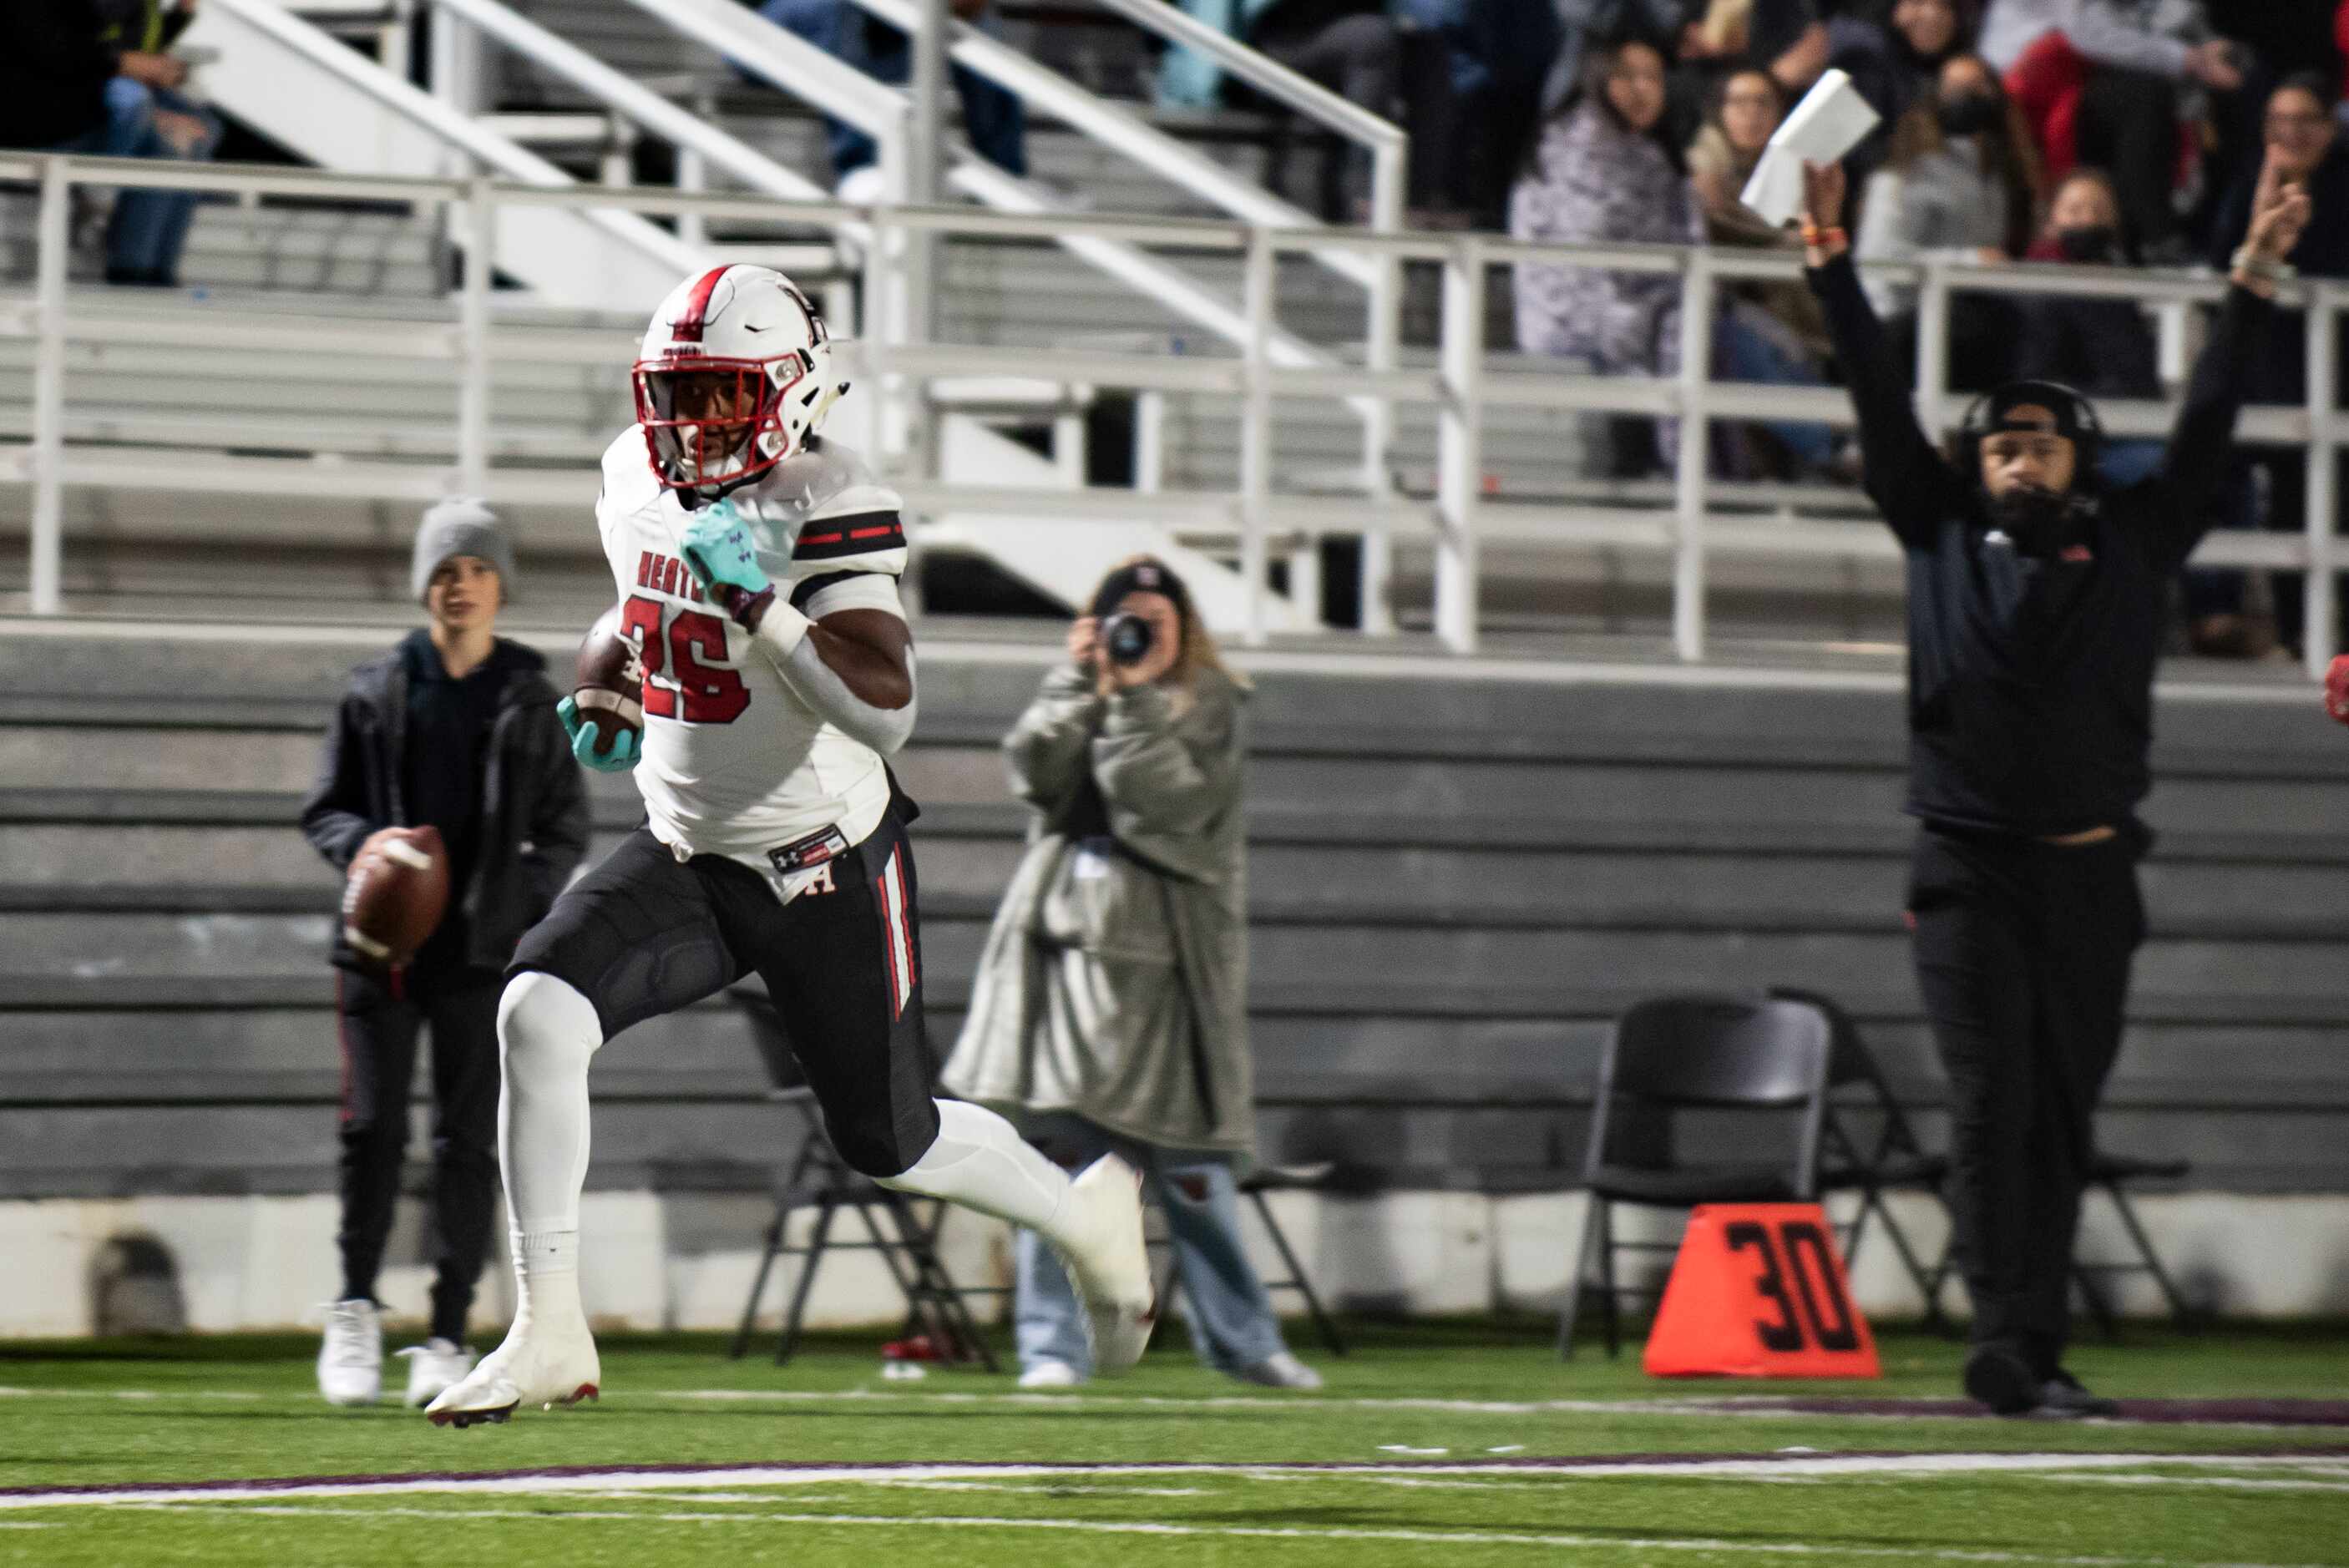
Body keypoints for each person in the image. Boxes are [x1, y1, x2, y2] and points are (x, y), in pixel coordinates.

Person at [422, 265, 1155, 1427]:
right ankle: (547, 1323)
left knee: (893, 1142)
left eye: (719, 395)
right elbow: (640, 606)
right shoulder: (631, 471)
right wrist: (609, 679)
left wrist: (764, 605)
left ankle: (1082, 1213)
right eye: (676, 393)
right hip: (688, 849)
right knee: (536, 1012)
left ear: (794, 390)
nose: (691, 424)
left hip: (823, 860)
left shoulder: (832, 494)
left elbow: (884, 704)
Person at [1795, 146, 2306, 1415]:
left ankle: (2036, 1336)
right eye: (1999, 444)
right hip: (1963, 863)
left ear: (2080, 459)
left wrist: (2249, 278)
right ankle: (2010, 1336)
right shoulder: (1935, 529)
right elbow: (1872, 399)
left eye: (2040, 441)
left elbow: (2205, 423)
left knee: (2060, 1113)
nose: (2017, 457)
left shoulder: (2134, 541)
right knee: (1988, 1099)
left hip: (2088, 866)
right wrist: (1830, 267)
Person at [943, 559, 1320, 1393]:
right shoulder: (1079, 687)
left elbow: (1172, 806)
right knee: (1062, 1173)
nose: (1139, 631)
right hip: (1069, 971)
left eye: (1157, 617)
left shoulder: (1212, 703)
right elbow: (1035, 775)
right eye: (1125, 616)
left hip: (1170, 979)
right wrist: (1077, 680)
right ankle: (1052, 1347)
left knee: (1194, 1182)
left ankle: (1245, 1343)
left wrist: (1137, 698)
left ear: (1184, 626)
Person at [299, 501, 590, 1409]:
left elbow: (564, 828)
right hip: (380, 951)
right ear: (422, 582)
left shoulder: (532, 699)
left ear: (499, 583)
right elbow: (325, 808)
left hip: (479, 959)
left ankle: (446, 1330)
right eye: (443, 568)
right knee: (371, 1133)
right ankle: (352, 1311)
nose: (457, 583)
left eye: (474, 567)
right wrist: (369, 852)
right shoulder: (375, 689)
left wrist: (516, 904)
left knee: (468, 1144)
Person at [1513, 38, 1835, 477]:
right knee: (1729, 334)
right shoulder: (1578, 148)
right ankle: (1829, 447)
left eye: (1654, 78)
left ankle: (1822, 449)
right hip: (1588, 313)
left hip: (1652, 304)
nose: (1645, 89)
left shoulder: (1643, 152)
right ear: (1598, 79)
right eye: (1629, 76)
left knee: (1751, 332)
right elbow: (1596, 256)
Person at [2200, 74, 2349, 657]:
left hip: (2333, 362)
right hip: (2259, 360)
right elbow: (2220, 266)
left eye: (2304, 120)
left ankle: (2308, 631)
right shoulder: (2246, 181)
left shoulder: (2342, 184)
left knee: (2308, 491)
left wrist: (2281, 251)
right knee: (2217, 467)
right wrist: (2262, 216)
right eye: (2277, 121)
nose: (2290, 133)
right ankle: (2223, 615)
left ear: (2329, 127)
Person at [1982, 0, 2242, 252]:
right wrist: (2192, 59)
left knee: (2233, 92)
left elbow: (2172, 25)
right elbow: (2088, 34)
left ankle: (2204, 239)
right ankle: (2156, 234)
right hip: (2025, 86)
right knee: (2143, 95)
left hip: (2086, 81)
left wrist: (2211, 52)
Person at [1853, 53, 2040, 391]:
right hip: (1899, 321)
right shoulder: (1903, 174)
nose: (1967, 97)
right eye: (1955, 87)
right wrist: (1971, 262)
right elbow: (1881, 262)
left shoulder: (1998, 174)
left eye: (1977, 86)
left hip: (1965, 315)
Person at [0, 0, 220, 286]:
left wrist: (181, 17)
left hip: (77, 103)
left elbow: (105, 54)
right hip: (39, 121)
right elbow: (62, 54)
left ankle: (157, 271)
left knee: (196, 132)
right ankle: (130, 264)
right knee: (161, 141)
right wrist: (142, 89)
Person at [756, 0, 1025, 196]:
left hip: (939, 173)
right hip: (866, 171)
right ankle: (863, 169)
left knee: (976, 23)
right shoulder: (827, 12)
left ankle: (1002, 182)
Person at [2014, 169, 2164, 487]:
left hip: (2132, 430)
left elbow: (2142, 376)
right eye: (2075, 210)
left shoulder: (2124, 294)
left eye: (2099, 211)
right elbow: (2038, 380)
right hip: (2073, 441)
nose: (2088, 221)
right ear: (2053, 221)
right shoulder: (2035, 291)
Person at [1827, 0, 1977, 208]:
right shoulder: (1867, 60)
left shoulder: (1958, 70)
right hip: (1862, 203)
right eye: (1918, 2)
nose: (1932, 14)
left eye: (1945, 6)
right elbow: (1855, 150)